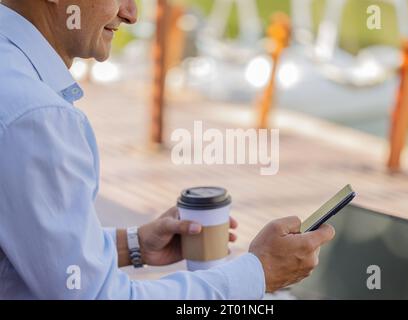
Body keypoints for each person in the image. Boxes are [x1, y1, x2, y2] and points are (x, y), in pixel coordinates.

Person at [0, 0, 335, 299]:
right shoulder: (38, 117)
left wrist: (134, 244)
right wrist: (259, 273)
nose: (130, 13)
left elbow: (25, 256)